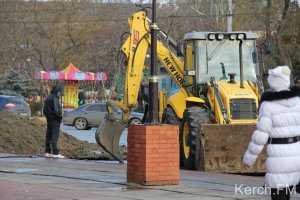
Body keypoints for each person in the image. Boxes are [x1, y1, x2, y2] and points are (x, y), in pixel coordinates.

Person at [243, 66, 300, 200]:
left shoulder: (268, 105)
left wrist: (249, 159)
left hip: (279, 160)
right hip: (297, 154)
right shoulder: (298, 101)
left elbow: (261, 136)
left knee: (280, 194)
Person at [43, 85, 65, 159]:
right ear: (57, 91)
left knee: (48, 136)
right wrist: (59, 117)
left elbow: (44, 110)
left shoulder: (48, 98)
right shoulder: (55, 98)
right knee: (54, 136)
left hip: (49, 120)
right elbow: (56, 110)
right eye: (60, 92)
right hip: (55, 120)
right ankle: (55, 153)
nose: (60, 93)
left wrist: (48, 117)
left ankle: (47, 152)